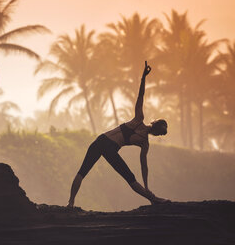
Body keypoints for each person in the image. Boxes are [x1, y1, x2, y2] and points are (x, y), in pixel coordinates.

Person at [67, 61, 170, 208]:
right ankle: (153, 199)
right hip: (108, 146)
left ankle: (70, 203)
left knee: (84, 172)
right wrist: (143, 77)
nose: (159, 135)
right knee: (127, 178)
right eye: (160, 132)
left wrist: (147, 185)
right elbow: (141, 96)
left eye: (161, 135)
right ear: (156, 126)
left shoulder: (143, 140)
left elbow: (144, 166)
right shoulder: (139, 123)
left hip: (102, 140)